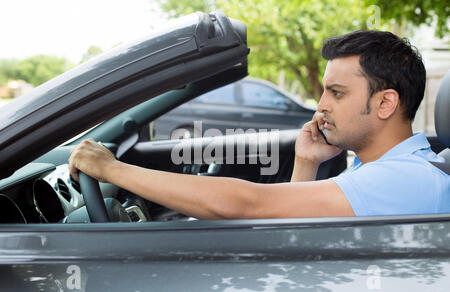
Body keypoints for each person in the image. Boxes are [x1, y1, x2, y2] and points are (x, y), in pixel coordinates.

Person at [68, 30, 450, 219]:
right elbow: (291, 225)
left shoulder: (404, 179)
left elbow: (249, 204)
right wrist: (306, 162)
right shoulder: (379, 167)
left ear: (385, 103)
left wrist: (112, 169)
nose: (320, 106)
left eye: (336, 93)